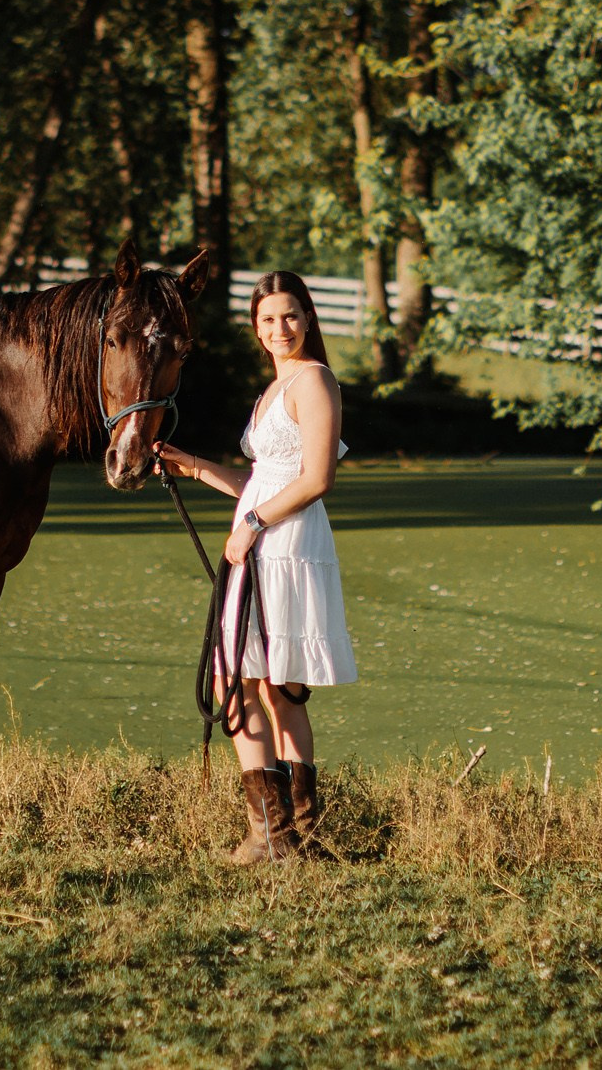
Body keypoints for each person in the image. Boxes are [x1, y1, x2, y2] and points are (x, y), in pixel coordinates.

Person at [156, 270, 357, 862]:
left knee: (273, 684)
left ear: (309, 318)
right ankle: (282, 833)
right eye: (268, 318)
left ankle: (284, 833)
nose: (279, 328)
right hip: (265, 535)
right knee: (253, 680)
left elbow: (317, 479)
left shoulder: (314, 380)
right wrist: (195, 467)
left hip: (285, 542)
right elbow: (264, 480)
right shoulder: (274, 388)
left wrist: (252, 523)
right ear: (256, 326)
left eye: (290, 315)